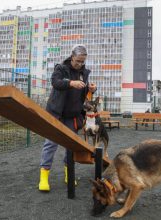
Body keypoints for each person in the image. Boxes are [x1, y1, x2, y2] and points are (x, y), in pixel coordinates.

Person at [39, 44, 97, 191]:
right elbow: (55, 82)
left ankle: (68, 173)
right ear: (72, 57)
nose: (79, 64)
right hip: (56, 113)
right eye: (77, 61)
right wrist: (71, 83)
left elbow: (84, 93)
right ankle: (44, 178)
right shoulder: (61, 68)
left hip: (72, 116)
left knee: (70, 146)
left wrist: (91, 90)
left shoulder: (84, 73)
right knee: (50, 144)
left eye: (82, 61)